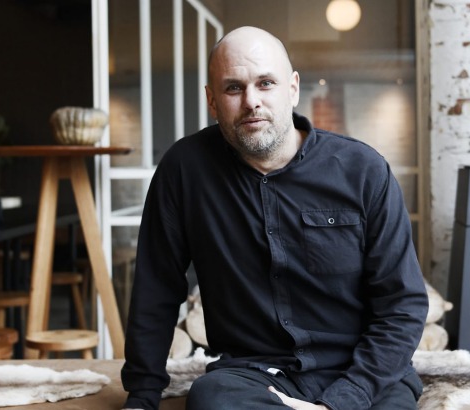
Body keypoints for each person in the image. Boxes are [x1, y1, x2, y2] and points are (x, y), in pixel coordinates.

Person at [121, 26, 428, 410]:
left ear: (292, 89)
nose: (251, 101)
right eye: (234, 88)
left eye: (266, 83)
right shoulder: (184, 171)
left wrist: (344, 400)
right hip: (255, 375)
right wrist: (142, 396)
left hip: (359, 371)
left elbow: (402, 304)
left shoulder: (362, 170)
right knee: (211, 399)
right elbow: (156, 289)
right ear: (212, 100)